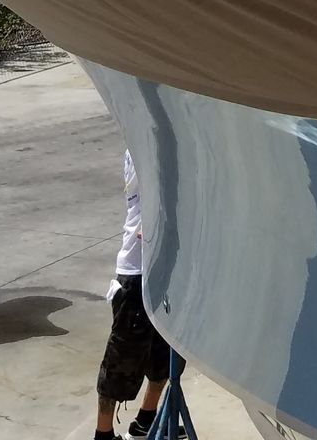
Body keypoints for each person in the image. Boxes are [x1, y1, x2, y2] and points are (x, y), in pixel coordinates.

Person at [94, 151, 173, 440]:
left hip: (166, 268)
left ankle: (146, 420)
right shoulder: (141, 147)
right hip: (137, 271)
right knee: (121, 361)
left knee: (166, 358)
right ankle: (103, 434)